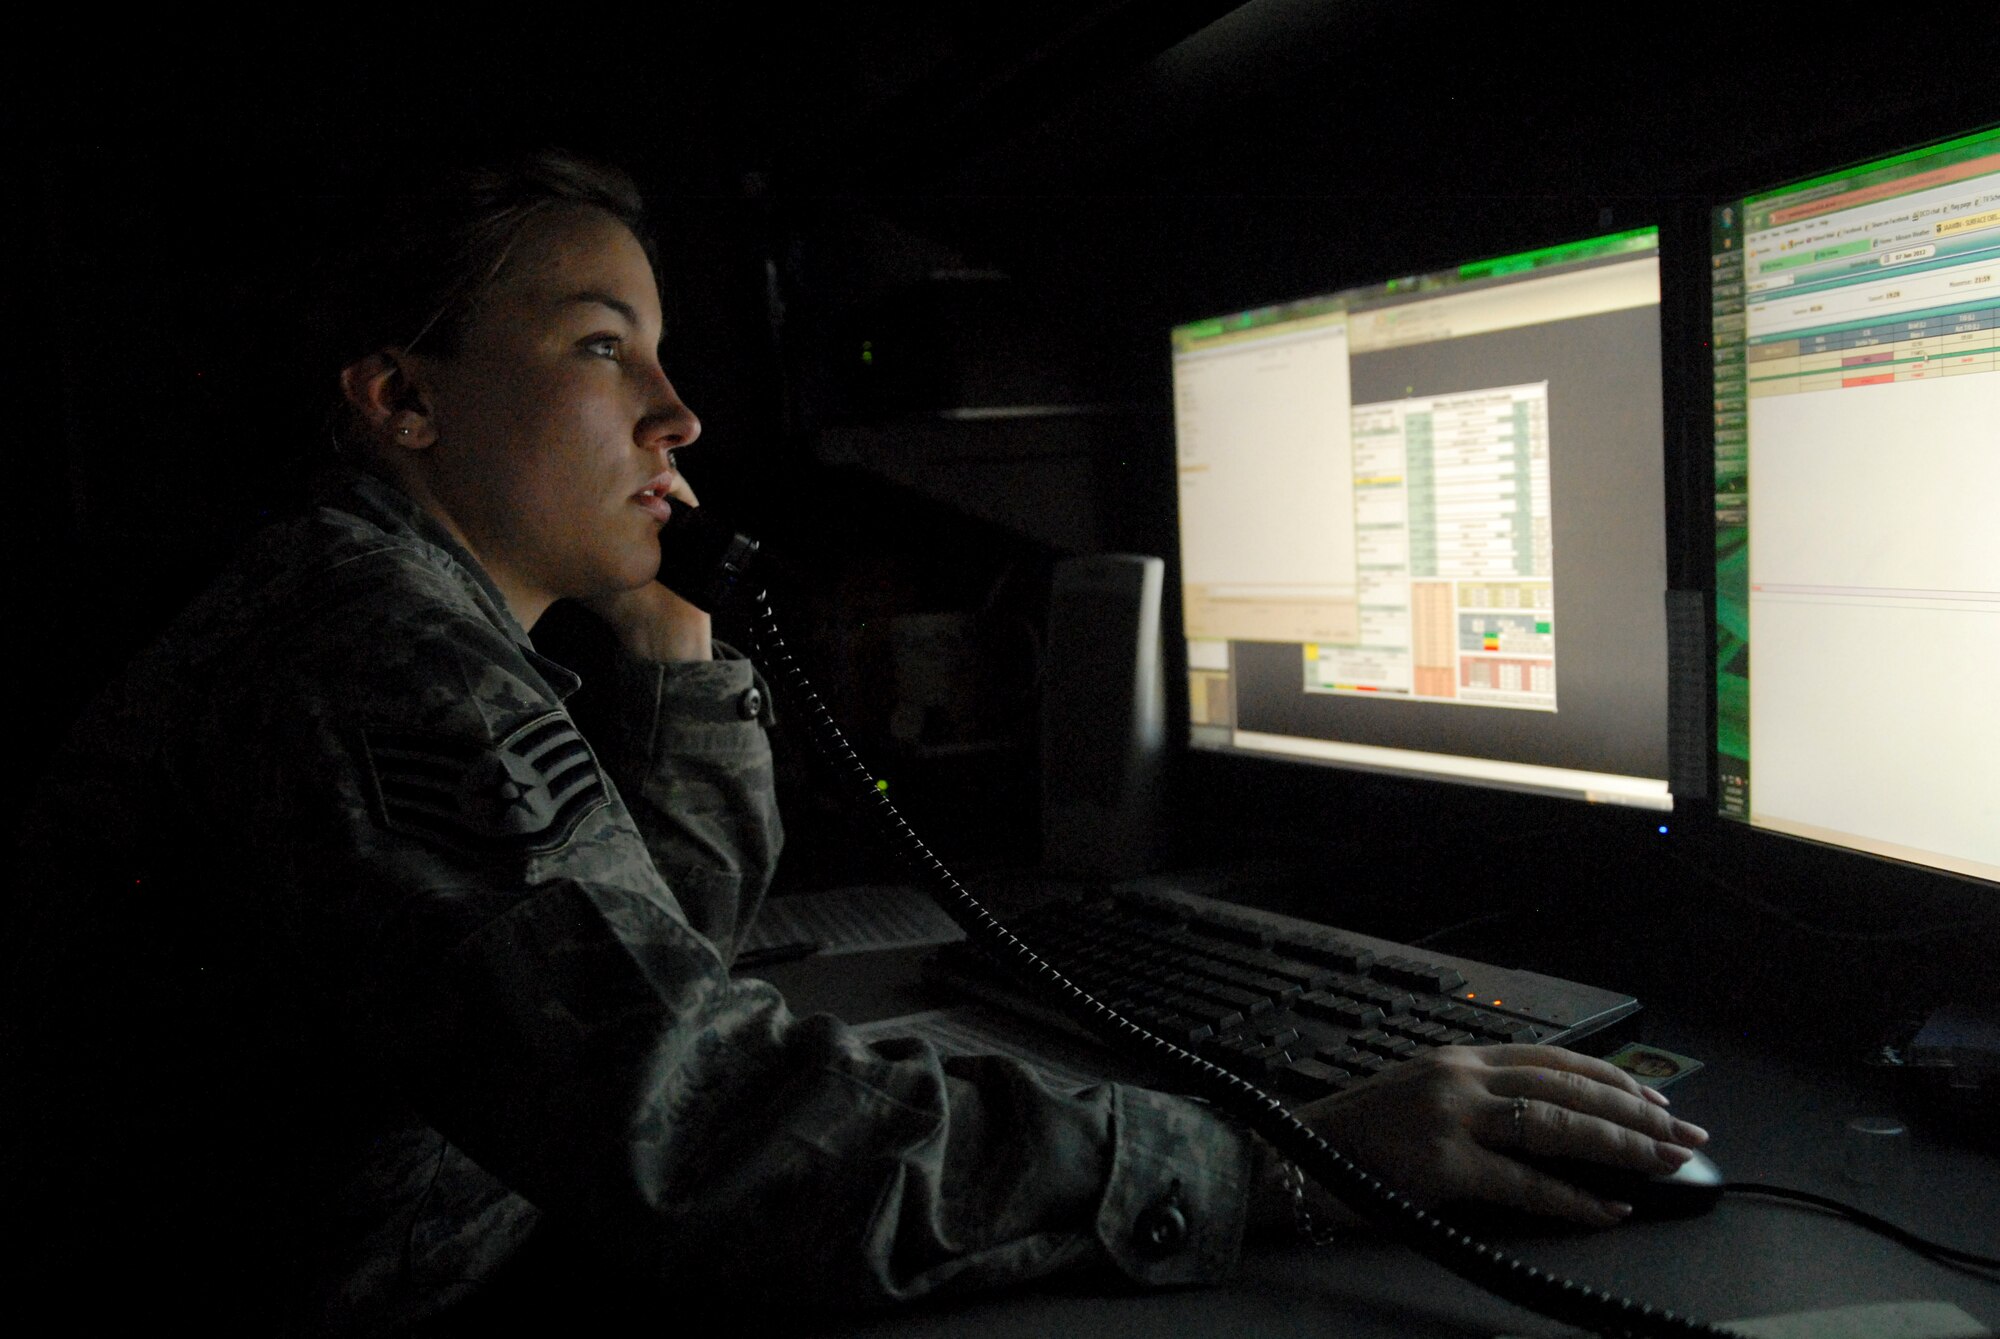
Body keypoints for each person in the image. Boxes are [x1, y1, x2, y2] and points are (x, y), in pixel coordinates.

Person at [8, 151, 1709, 1333]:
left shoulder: (370, 618)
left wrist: (679, 674)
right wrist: (1289, 1159)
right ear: (400, 401)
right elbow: (704, 1135)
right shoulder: (371, 665)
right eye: (607, 351)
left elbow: (618, 988)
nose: (679, 417)